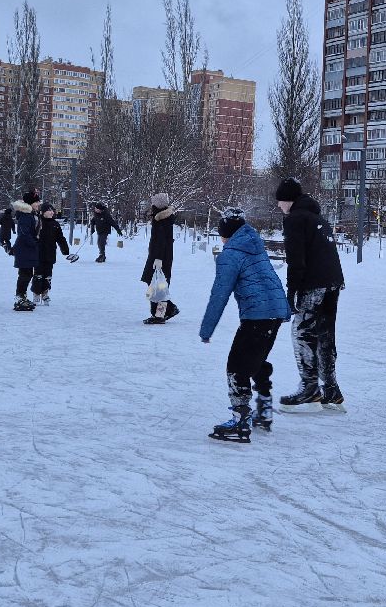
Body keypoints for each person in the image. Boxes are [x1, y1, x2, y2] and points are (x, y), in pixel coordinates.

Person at [199, 210, 292, 443]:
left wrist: (206, 329)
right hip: (274, 314)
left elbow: (219, 294)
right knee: (256, 361)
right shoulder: (255, 246)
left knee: (236, 367)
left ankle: (241, 421)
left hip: (257, 316)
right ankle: (264, 410)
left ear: (225, 235)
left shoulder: (230, 254)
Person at [273, 177, 347, 412]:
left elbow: (296, 259)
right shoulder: (318, 218)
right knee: (325, 334)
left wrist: (292, 291)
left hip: (314, 283)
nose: (278, 206)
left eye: (280, 201)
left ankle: (309, 387)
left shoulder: (295, 219)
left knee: (302, 330)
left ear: (288, 200)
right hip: (333, 282)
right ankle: (331, 389)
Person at [141, 193, 180, 323]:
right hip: (159, 257)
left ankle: (161, 314)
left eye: (153, 204)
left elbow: (161, 241)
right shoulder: (161, 219)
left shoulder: (162, 220)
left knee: (159, 286)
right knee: (156, 285)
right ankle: (162, 313)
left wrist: (158, 259)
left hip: (159, 258)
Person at [32, 201, 75, 305]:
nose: (52, 212)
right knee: (38, 274)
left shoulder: (55, 224)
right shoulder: (38, 222)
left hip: (50, 253)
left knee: (48, 275)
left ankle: (45, 293)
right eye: (49, 210)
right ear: (43, 212)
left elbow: (60, 238)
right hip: (38, 254)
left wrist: (66, 251)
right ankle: (36, 293)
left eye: (52, 210)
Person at [9, 191, 41, 311]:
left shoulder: (31, 214)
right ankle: (19, 297)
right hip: (24, 249)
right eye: (36, 201)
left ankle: (22, 296)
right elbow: (24, 233)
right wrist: (34, 243)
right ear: (30, 203)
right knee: (24, 274)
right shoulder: (25, 215)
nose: (38, 203)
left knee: (27, 273)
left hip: (28, 249)